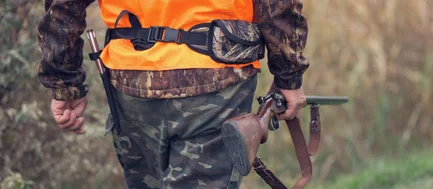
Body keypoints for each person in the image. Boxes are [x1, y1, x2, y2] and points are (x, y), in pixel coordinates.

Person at [37, 0, 310, 188]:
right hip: (215, 79)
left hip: (131, 78)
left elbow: (62, 8)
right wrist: (289, 75)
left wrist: (64, 82)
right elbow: (278, 6)